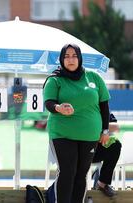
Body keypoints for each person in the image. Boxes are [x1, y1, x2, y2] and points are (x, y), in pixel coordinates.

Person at [43, 43, 110, 203]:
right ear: (61, 59)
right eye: (66, 56)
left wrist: (105, 130)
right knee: (67, 171)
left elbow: (104, 105)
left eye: (74, 56)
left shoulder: (94, 77)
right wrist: (59, 108)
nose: (70, 60)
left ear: (79, 58)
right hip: (62, 133)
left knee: (81, 174)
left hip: (90, 135)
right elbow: (49, 103)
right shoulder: (55, 79)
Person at [92, 113, 121, 197]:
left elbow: (116, 127)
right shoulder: (78, 107)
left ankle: (102, 183)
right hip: (78, 150)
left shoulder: (103, 108)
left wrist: (102, 132)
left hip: (95, 151)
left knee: (115, 145)